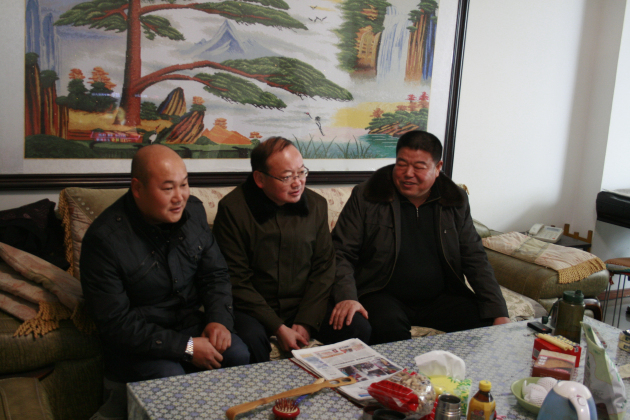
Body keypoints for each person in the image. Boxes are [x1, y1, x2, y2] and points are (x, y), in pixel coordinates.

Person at [80, 145, 249, 383]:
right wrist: (186, 347)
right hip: (140, 341)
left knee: (238, 354)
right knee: (169, 376)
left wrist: (219, 320)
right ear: (138, 188)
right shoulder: (104, 241)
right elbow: (116, 323)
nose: (179, 197)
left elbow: (215, 274)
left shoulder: (193, 212)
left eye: (184, 184)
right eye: (168, 188)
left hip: (189, 324)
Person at [331, 131, 510, 345]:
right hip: (381, 294)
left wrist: (499, 311)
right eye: (401, 164)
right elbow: (341, 252)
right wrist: (347, 296)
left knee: (486, 323)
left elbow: (475, 257)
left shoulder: (454, 199)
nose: (408, 173)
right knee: (387, 328)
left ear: (438, 167)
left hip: (441, 297)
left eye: (419, 167)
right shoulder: (368, 195)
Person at [213, 137, 370, 363]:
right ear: (259, 178)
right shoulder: (233, 209)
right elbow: (236, 280)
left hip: (304, 305)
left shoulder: (316, 205)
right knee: (251, 340)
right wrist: (277, 326)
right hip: (254, 308)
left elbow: (324, 267)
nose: (298, 183)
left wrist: (306, 320)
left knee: (357, 327)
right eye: (287, 177)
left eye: (301, 172)